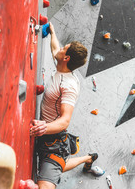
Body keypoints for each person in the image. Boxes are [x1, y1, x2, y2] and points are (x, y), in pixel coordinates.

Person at [30, 22, 102, 189]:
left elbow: (65, 121)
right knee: (59, 164)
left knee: (46, 183)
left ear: (67, 58)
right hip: (48, 133)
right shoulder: (62, 66)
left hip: (53, 144)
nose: (61, 49)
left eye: (65, 48)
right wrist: (52, 33)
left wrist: (44, 128)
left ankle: (86, 158)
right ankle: (88, 158)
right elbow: (56, 50)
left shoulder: (68, 85)